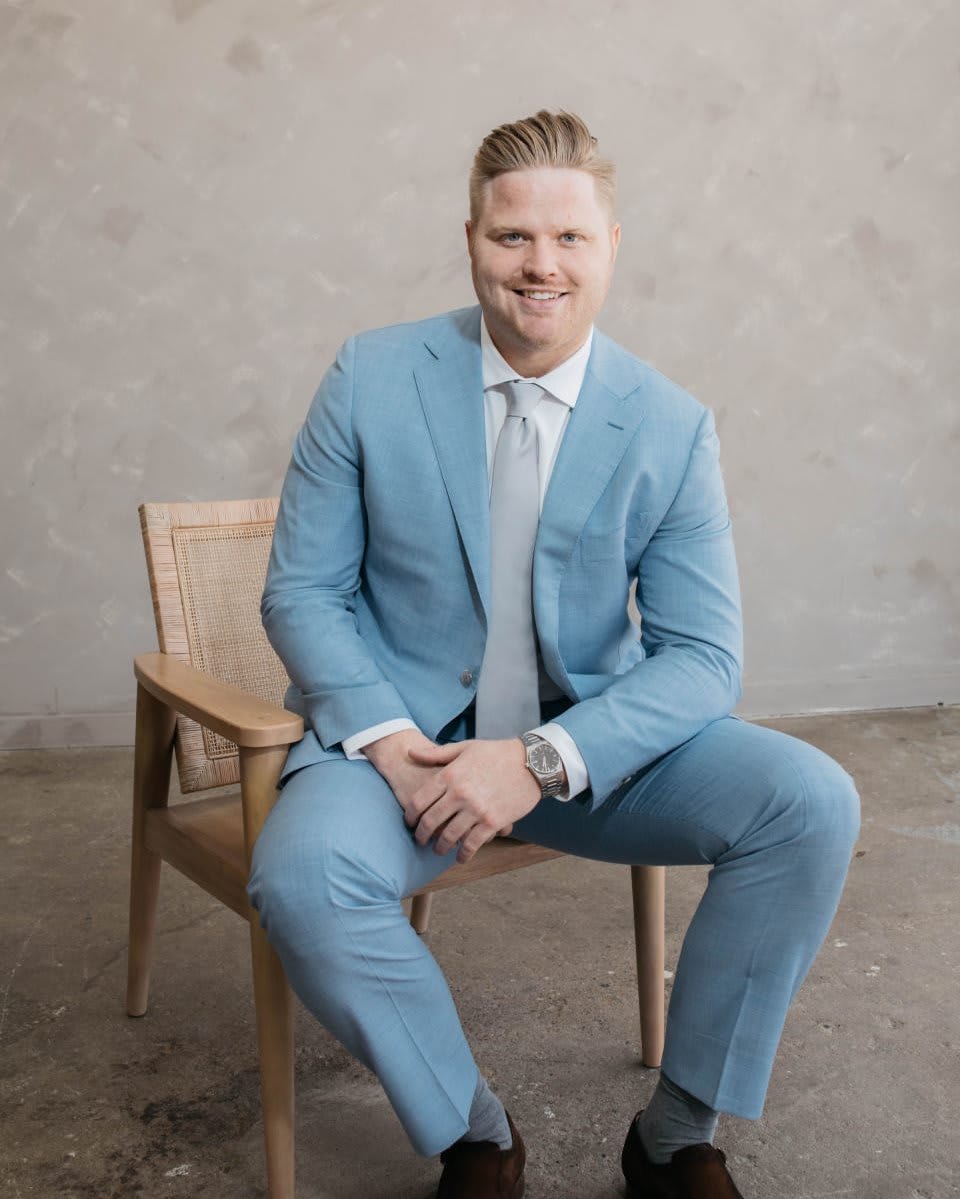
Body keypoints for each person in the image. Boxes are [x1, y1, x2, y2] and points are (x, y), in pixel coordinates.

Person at [248, 110, 860, 1199]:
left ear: (611, 246)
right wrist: (388, 743)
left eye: (569, 239)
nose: (540, 265)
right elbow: (303, 589)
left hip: (586, 754)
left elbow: (704, 656)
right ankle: (475, 1133)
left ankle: (676, 1132)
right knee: (300, 878)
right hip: (408, 757)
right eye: (511, 236)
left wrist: (532, 759)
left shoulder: (670, 425)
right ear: (472, 238)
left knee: (810, 800)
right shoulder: (371, 374)